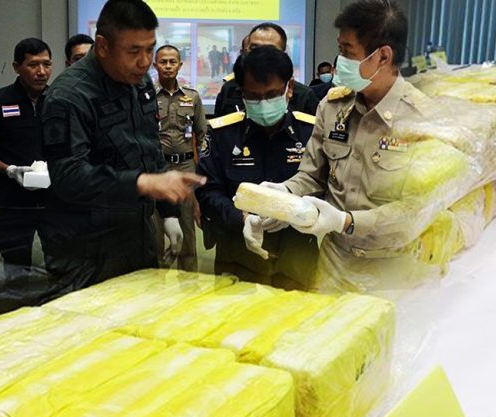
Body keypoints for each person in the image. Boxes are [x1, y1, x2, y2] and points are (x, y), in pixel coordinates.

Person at [253, 0, 419, 293]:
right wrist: (282, 195)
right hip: (334, 264)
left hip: (393, 271)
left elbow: (417, 210)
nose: (339, 61)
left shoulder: (421, 120)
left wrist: (346, 221)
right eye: (339, 49)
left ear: (383, 56)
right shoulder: (332, 106)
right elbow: (311, 176)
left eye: (347, 52)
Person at [39, 0, 204, 291]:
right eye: (134, 51)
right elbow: (68, 176)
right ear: (103, 46)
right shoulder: (69, 96)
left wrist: (168, 212)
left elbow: (150, 149)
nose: (145, 61)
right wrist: (143, 183)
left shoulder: (138, 84)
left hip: (137, 235)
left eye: (150, 49)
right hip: (85, 249)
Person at [197, 46, 318, 289]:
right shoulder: (222, 134)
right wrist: (242, 218)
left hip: (297, 257)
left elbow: (325, 185)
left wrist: (298, 212)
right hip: (238, 257)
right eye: (254, 97)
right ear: (242, 93)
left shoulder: (311, 132)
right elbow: (208, 191)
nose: (263, 104)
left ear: (289, 88)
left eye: (272, 95)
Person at [0, 37, 52, 284]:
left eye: (47, 64)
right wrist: (10, 170)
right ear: (17, 67)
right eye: (33, 65)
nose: (42, 72)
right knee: (16, 273)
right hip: (13, 202)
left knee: (62, 268)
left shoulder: (61, 99)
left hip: (56, 202)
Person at [152, 44, 207, 272]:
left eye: (172, 62)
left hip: (185, 167)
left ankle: (189, 280)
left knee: (186, 227)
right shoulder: (146, 97)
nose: (168, 66)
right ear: (155, 65)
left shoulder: (192, 97)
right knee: (156, 227)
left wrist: (201, 169)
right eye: (163, 62)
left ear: (180, 65)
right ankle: (156, 278)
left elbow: (202, 136)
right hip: (158, 168)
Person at [213, 23, 319, 117]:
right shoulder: (229, 89)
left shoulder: (304, 95)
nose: (261, 55)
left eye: (270, 49)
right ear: (244, 51)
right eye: (254, 48)